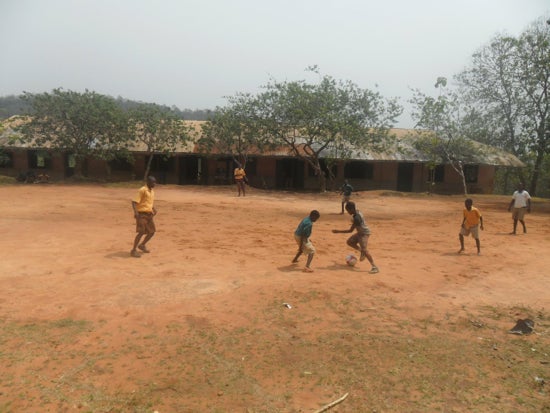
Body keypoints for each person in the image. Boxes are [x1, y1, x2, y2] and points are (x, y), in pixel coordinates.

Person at [332, 201, 379, 274]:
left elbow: (350, 231)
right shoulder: (356, 212)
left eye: (348, 210)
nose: (348, 212)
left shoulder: (357, 218)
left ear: (351, 209)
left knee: (365, 250)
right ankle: (361, 251)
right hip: (360, 232)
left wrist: (338, 231)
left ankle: (374, 267)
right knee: (349, 242)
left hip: (364, 234)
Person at [130, 176, 157, 258]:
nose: (154, 184)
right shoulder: (142, 190)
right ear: (148, 182)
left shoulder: (152, 191)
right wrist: (136, 212)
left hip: (149, 214)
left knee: (152, 232)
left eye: (155, 182)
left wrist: (153, 208)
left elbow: (148, 202)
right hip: (141, 214)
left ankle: (142, 245)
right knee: (141, 232)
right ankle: (133, 250)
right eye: (153, 182)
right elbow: (134, 202)